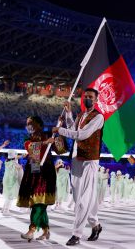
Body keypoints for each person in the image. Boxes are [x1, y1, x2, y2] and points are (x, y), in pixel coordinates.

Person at [54, 88, 104, 246]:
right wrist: (69, 114)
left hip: (90, 161)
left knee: (83, 201)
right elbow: (74, 129)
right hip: (76, 158)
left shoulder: (99, 117)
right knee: (78, 199)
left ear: (96, 100)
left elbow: (82, 135)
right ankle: (95, 224)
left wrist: (59, 130)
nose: (87, 99)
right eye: (85, 97)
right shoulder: (81, 115)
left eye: (90, 97)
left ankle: (76, 234)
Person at [18, 116, 66, 241]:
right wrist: (45, 143)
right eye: (27, 123)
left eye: (30, 123)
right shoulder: (28, 138)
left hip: (46, 171)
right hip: (33, 169)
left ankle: (32, 229)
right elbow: (30, 148)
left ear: (38, 124)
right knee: (37, 202)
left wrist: (58, 134)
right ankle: (46, 231)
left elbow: (60, 150)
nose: (28, 125)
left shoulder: (49, 134)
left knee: (39, 202)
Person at [2, 150, 23, 215]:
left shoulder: (6, 161)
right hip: (12, 180)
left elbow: (15, 159)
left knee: (8, 195)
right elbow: (19, 167)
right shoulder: (14, 162)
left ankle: (3, 209)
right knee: (10, 196)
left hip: (6, 180)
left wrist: (21, 156)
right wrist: (20, 166)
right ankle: (6, 211)